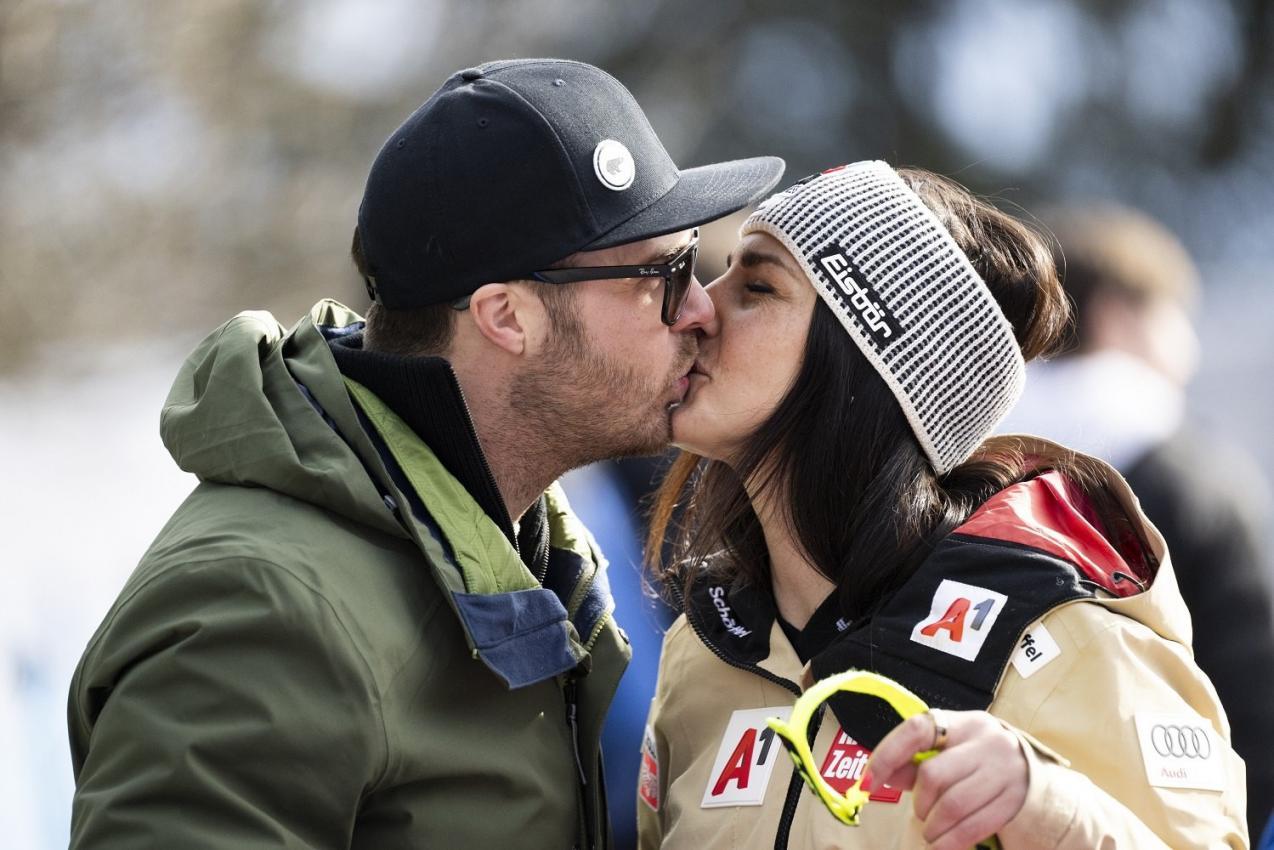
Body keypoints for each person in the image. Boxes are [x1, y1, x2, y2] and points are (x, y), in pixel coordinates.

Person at [66, 58, 784, 849]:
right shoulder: (261, 608)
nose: (700, 309)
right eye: (666, 273)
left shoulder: (515, 541)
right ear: (507, 317)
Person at [637, 162, 1249, 849]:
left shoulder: (1055, 632)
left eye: (757, 286)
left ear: (865, 367)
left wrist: (1050, 807)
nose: (697, 307)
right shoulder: (702, 649)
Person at [997, 205, 1274, 837]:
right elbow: (1253, 684)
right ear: (1118, 316)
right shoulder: (1192, 471)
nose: (1190, 348)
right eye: (1176, 318)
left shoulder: (970, 466)